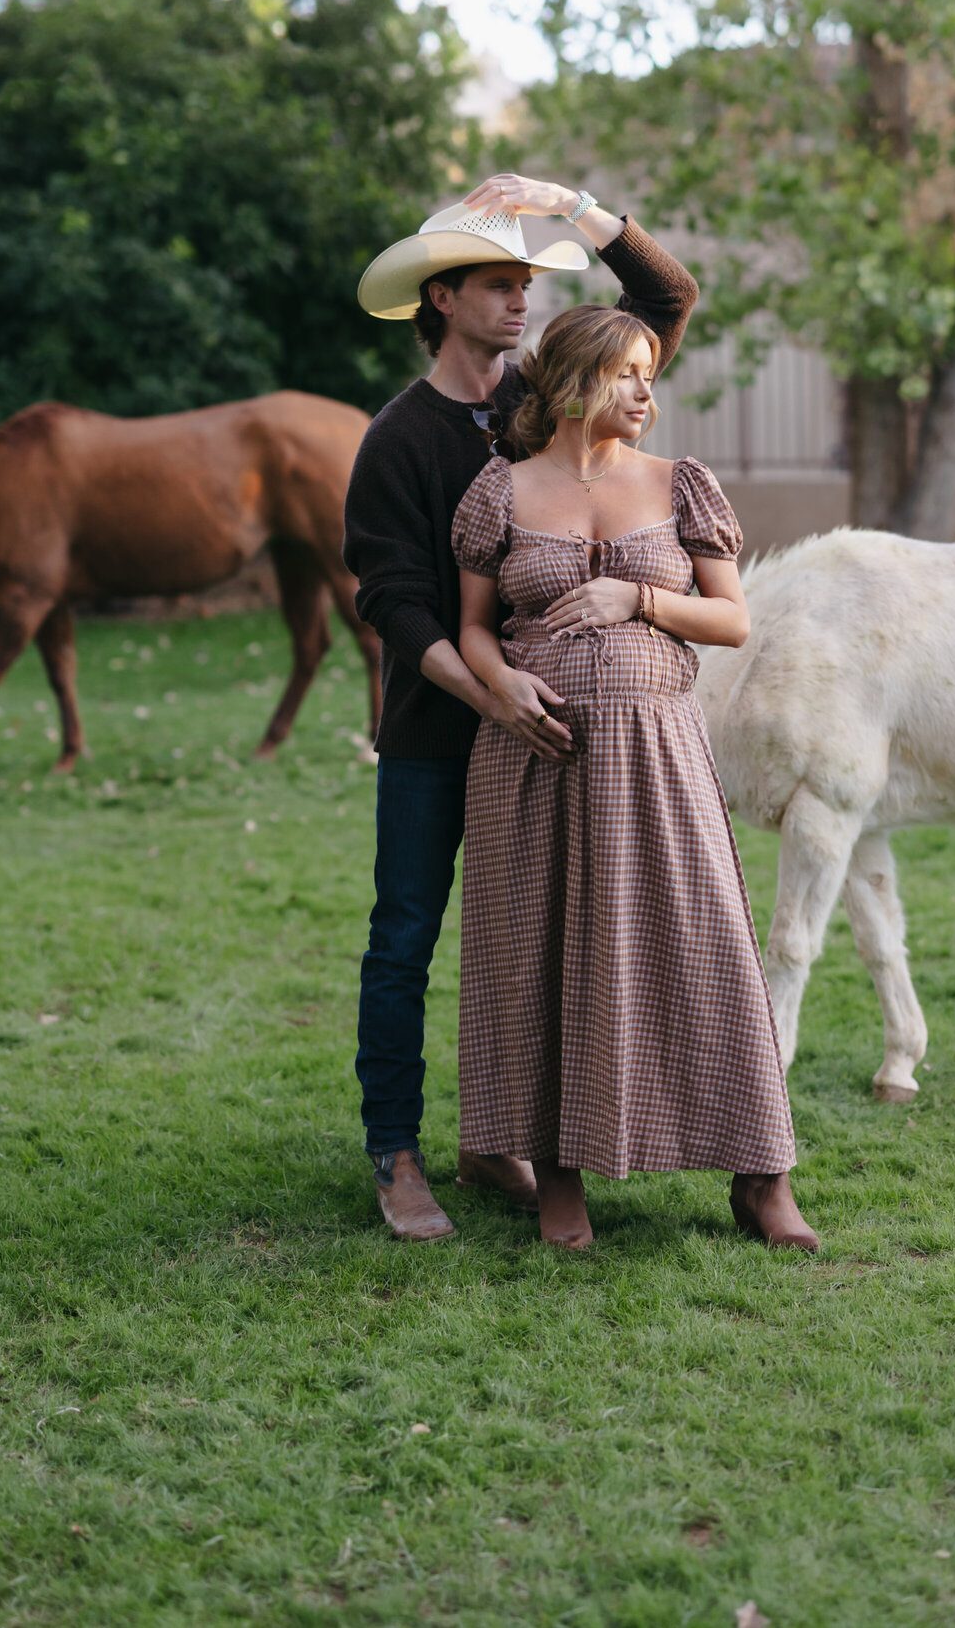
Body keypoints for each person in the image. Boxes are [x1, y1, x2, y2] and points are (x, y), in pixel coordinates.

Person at [343, 173, 699, 1240]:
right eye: (498, 284)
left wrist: (573, 205)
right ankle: (396, 1152)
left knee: (525, 941)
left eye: (525, 283)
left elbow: (667, 302)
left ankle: (497, 1134)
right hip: (437, 734)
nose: (522, 302)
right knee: (404, 935)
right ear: (440, 299)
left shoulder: (549, 405)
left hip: (555, 744)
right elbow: (397, 609)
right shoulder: (396, 441)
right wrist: (492, 687)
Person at [451, 303, 818, 1251]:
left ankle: (760, 1174)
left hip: (658, 758)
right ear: (575, 383)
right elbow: (475, 628)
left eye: (651, 372)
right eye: (628, 374)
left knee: (705, 949)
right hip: (539, 762)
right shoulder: (501, 493)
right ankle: (559, 1177)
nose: (648, 392)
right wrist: (502, 686)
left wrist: (638, 598)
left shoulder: (677, 484)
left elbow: (731, 619)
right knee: (543, 955)